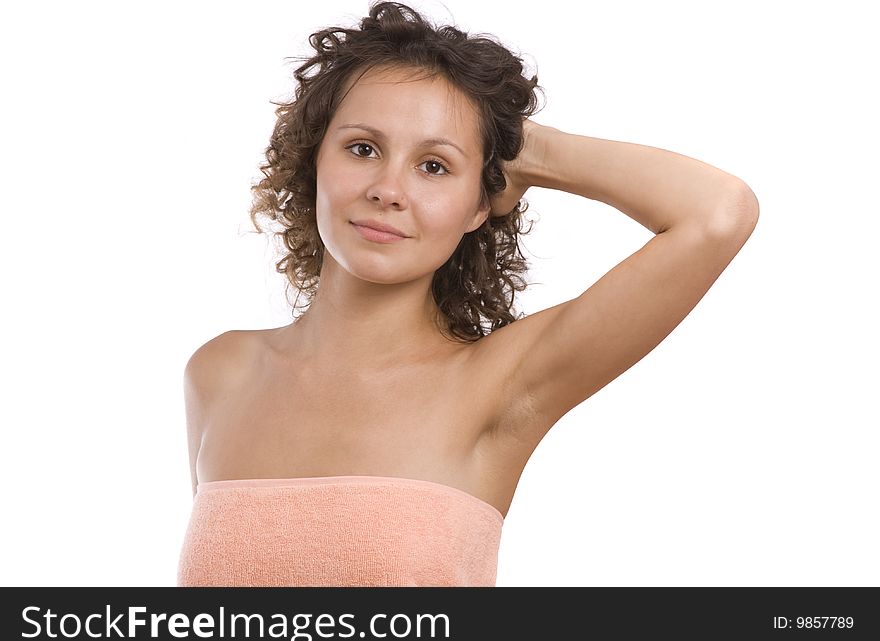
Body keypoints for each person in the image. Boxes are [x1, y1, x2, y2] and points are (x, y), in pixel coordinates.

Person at [177, 1, 759, 587]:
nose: (388, 190)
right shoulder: (220, 372)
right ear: (314, 161)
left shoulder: (502, 382)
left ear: (481, 203)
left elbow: (716, 213)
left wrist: (520, 146)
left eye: (433, 166)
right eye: (361, 149)